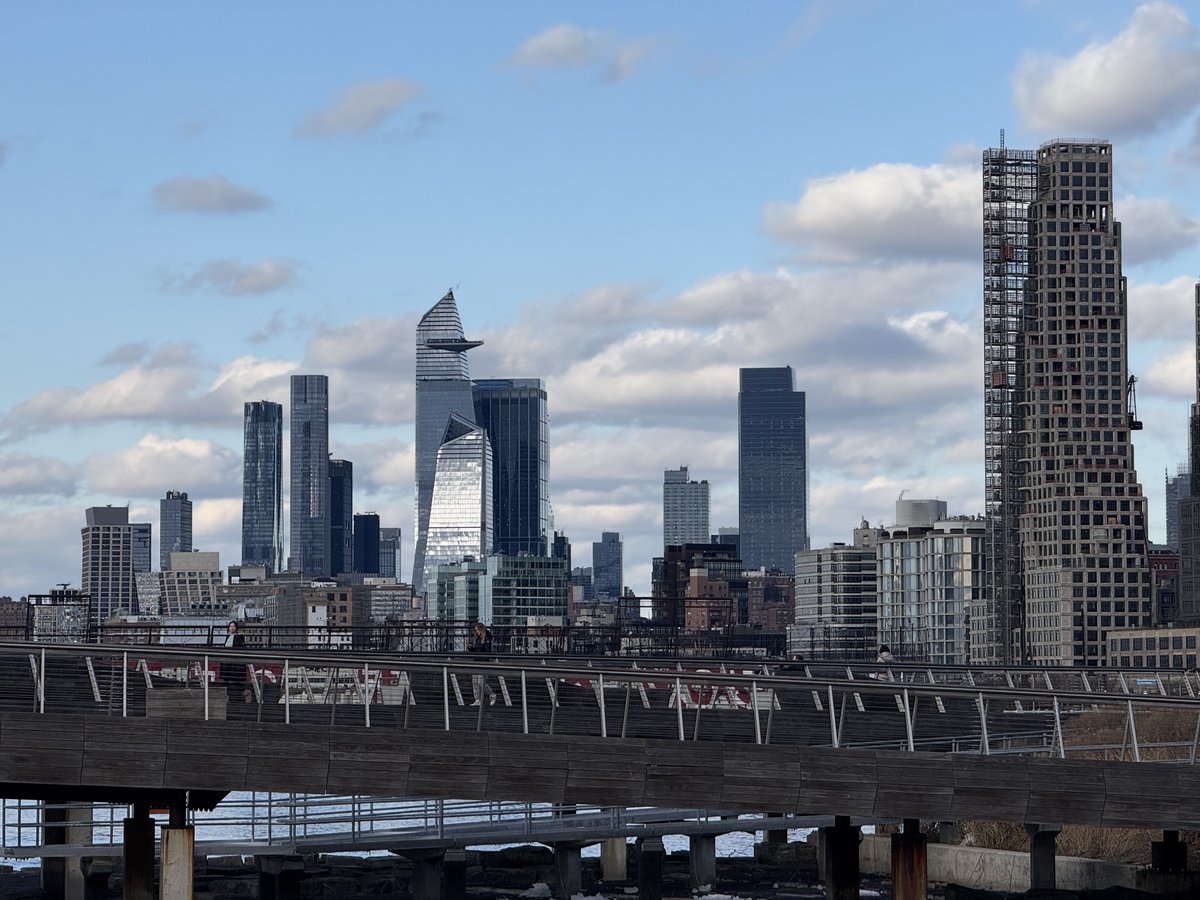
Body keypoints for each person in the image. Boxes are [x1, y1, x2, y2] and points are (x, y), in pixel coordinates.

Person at [467, 622, 496, 706]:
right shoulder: (477, 639)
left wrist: (483, 660)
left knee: (480, 681)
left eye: (477, 630)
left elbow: (487, 652)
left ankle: (491, 694)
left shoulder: (487, 639)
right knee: (475, 681)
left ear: (481, 630)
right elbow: (476, 651)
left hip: (483, 663)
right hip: (476, 661)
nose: (476, 632)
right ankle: (477, 699)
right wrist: (470, 648)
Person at [220, 621, 249, 702]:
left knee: (235, 679)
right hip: (227, 660)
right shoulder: (228, 637)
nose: (232, 628)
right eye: (230, 626)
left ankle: (242, 693)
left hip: (235, 660)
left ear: (236, 628)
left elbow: (241, 648)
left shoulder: (239, 637)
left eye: (233, 626)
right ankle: (227, 695)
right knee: (226, 679)